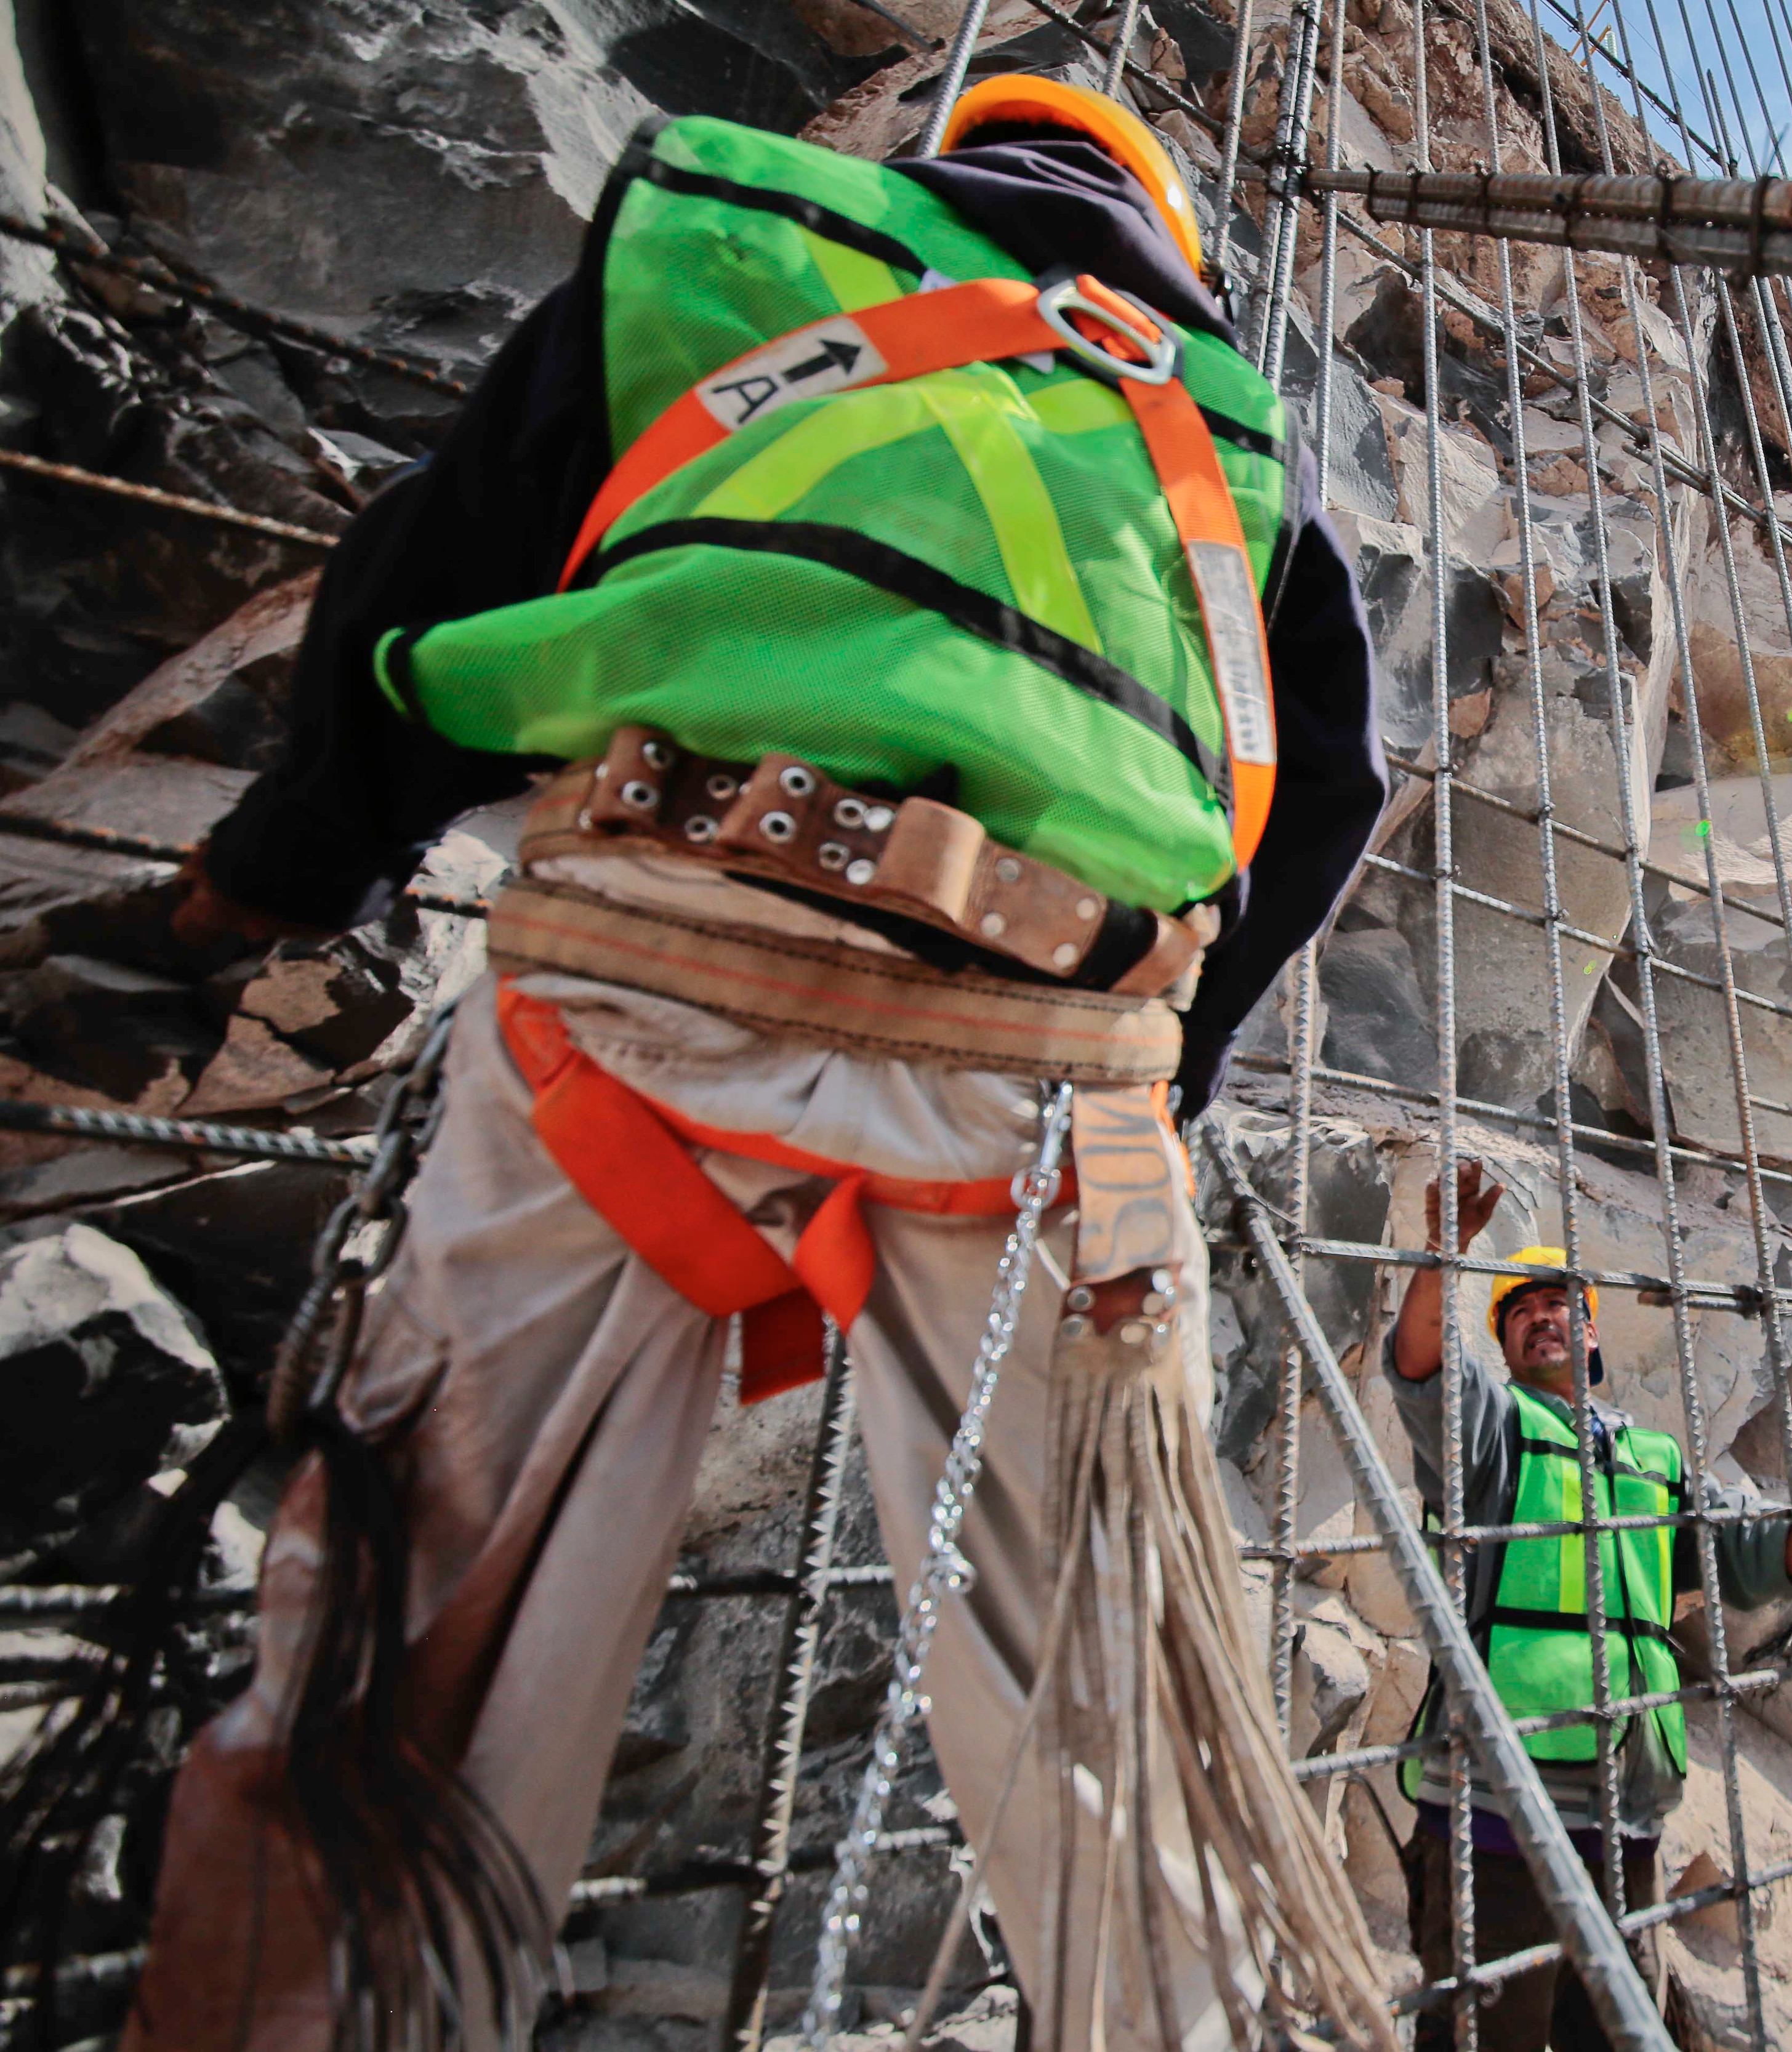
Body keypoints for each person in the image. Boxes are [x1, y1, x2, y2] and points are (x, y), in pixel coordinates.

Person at [119, 76, 1394, 2052]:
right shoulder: (1227, 425)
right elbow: (1314, 810)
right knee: (1126, 1733)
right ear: (1161, 239)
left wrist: (252, 893)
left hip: (635, 972)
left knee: (411, 1631)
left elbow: (434, 565)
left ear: (939, 171)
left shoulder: (738, 249)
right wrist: (1169, 1082)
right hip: (1044, 1060)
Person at [1387, 1161, 1792, 2051]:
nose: (1541, 1316)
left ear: (1592, 1330)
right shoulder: (1491, 1436)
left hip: (1625, 1800)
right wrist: (1438, 1254)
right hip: (1496, 1805)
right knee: (1486, 2031)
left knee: (1608, 2027)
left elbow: (1750, 1554)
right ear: (1504, 1345)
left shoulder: (1652, 1458)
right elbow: (1421, 1370)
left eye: (1559, 1302)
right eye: (1520, 1311)